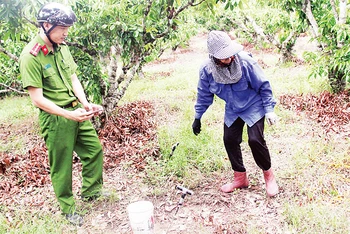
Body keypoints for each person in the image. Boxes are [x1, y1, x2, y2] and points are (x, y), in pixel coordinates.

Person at [19, 2, 104, 225]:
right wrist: (69, 115)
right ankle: (68, 208)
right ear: (46, 25)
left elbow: (73, 78)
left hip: (75, 110)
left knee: (94, 150)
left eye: (68, 28)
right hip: (56, 118)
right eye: (62, 28)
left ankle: (92, 192)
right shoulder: (30, 56)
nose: (66, 33)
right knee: (62, 166)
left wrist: (86, 105)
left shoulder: (62, 47)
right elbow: (37, 99)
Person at [192, 30, 279, 197]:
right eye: (224, 56)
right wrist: (198, 117)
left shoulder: (246, 62)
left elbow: (264, 86)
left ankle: (269, 176)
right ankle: (240, 178)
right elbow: (204, 95)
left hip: (254, 105)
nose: (230, 58)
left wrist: (269, 110)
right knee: (229, 139)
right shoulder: (207, 70)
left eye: (230, 54)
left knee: (255, 140)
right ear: (214, 57)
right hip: (232, 108)